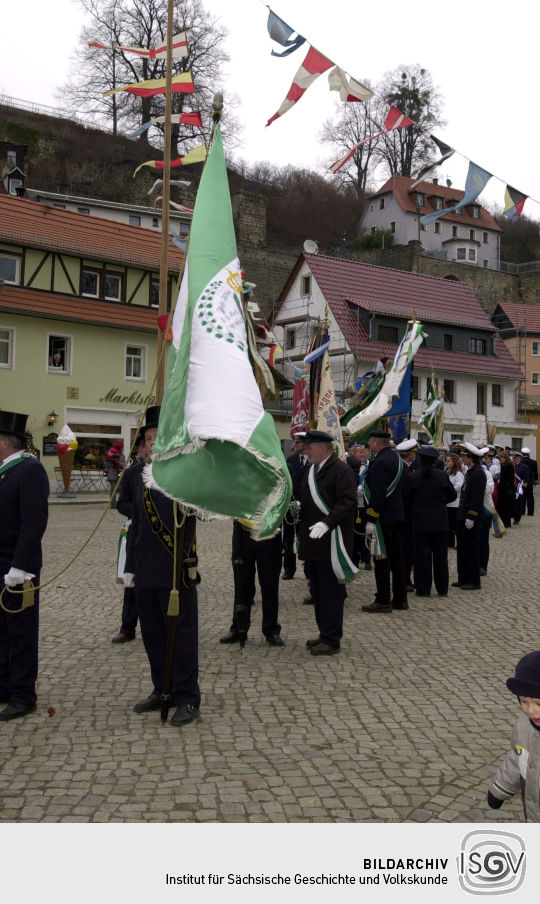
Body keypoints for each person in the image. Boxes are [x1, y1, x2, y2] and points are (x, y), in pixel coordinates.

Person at [125, 418, 200, 727]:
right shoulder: (138, 475)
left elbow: (195, 518)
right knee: (152, 634)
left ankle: (187, 697)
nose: (152, 441)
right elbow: (137, 528)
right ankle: (161, 688)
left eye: (158, 435)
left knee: (180, 637)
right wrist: (130, 567)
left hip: (175, 570)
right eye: (148, 436)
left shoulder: (184, 475)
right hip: (145, 569)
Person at [0, 411, 49, 721]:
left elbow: (33, 523)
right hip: (2, 565)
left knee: (20, 633)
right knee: (2, 633)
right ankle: (5, 686)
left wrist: (19, 567)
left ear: (4, 442)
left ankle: (23, 695)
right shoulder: (6, 470)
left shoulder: (29, 470)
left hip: (20, 570)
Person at [297, 430, 357, 655]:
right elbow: (303, 498)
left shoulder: (341, 470)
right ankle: (324, 633)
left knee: (331, 594)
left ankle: (332, 639)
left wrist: (327, 522)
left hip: (333, 542)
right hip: (314, 544)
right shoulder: (311, 471)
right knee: (319, 592)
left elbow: (348, 502)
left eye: (309, 447)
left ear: (323, 447)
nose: (306, 450)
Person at [110, 409, 159, 645]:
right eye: (147, 440)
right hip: (137, 533)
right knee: (133, 583)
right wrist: (139, 514)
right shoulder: (132, 474)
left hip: (162, 540)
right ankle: (127, 626)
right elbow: (122, 503)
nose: (149, 445)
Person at [488, 651, 540, 821]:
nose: (530, 710)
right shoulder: (523, 726)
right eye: (524, 701)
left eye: (538, 703)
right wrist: (500, 788)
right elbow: (517, 758)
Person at [361, 429, 408, 613]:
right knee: (398, 559)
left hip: (382, 519)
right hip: (397, 515)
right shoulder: (397, 458)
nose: (369, 445)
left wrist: (371, 517)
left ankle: (383, 599)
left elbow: (379, 492)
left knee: (381, 558)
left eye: (370, 442)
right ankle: (400, 598)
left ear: (375, 443)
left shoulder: (380, 461)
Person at [219, 521, 284, 646]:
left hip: (269, 529)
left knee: (270, 584)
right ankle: (238, 627)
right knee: (241, 583)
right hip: (242, 532)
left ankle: (271, 629)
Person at [404, 446, 456, 597]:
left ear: (420, 459)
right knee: (441, 557)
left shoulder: (413, 477)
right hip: (440, 522)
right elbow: (452, 495)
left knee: (421, 557)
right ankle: (442, 588)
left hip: (420, 522)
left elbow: (406, 498)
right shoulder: (442, 476)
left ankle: (423, 588)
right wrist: (440, 502)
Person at [452, 443, 486, 590]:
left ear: (471, 458)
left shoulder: (478, 473)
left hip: (470, 517)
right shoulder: (471, 471)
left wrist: (471, 517)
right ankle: (463, 577)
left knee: (471, 550)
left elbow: (477, 498)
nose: (462, 458)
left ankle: (473, 580)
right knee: (463, 549)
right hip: (462, 515)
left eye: (464, 456)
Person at [282, 433, 309, 581]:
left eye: (298, 443)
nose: (295, 445)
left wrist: (302, 502)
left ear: (305, 444)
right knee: (288, 538)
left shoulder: (312, 462)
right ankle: (288, 569)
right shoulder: (291, 460)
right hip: (291, 506)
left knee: (305, 537)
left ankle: (307, 569)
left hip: (306, 507)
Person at [396, 438, 418, 591]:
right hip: (406, 515)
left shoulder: (405, 468)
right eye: (414, 452)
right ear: (410, 454)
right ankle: (404, 581)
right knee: (405, 550)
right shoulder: (404, 470)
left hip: (405, 514)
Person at [350, 442, 371, 571]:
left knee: (365, 532)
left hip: (365, 504)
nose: (363, 454)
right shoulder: (350, 467)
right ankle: (354, 560)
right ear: (353, 454)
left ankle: (367, 559)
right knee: (354, 534)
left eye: (363, 452)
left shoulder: (369, 466)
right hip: (354, 505)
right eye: (359, 452)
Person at [445, 453, 464, 548]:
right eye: (446, 461)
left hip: (455, 503)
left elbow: (459, 486)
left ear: (454, 462)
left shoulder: (458, 474)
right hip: (448, 503)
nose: (446, 463)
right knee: (449, 525)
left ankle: (458, 543)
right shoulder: (447, 472)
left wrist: (449, 490)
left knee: (455, 525)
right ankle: (449, 542)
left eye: (449, 461)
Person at [495, 450, 515, 529]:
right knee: (501, 506)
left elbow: (511, 478)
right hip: (502, 488)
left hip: (507, 489)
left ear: (506, 458)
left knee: (507, 506)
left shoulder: (509, 466)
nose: (501, 459)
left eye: (502, 458)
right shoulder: (502, 466)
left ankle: (507, 522)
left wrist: (509, 489)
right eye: (500, 458)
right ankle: (502, 521)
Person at [105, 440, 125, 509]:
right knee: (113, 489)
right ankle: (113, 504)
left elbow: (123, 465)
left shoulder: (121, 455)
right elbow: (107, 464)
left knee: (122, 489)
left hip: (119, 474)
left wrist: (117, 463)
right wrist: (112, 462)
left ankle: (121, 502)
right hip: (112, 473)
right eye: (122, 447)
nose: (122, 448)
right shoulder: (111, 454)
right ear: (119, 447)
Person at [512, 451, 530, 525]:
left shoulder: (524, 467)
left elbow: (526, 478)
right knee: (513, 503)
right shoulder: (512, 466)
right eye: (514, 458)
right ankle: (513, 515)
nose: (514, 459)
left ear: (520, 458)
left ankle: (517, 518)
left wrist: (523, 487)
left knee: (519, 503)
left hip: (520, 488)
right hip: (513, 487)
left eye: (515, 458)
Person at [521, 447, 537, 516]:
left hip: (522, 481)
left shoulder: (520, 461)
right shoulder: (533, 462)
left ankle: (522, 511)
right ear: (528, 454)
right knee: (530, 497)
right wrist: (535, 480)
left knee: (522, 496)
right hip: (530, 482)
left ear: (522, 453)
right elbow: (535, 473)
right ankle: (530, 512)